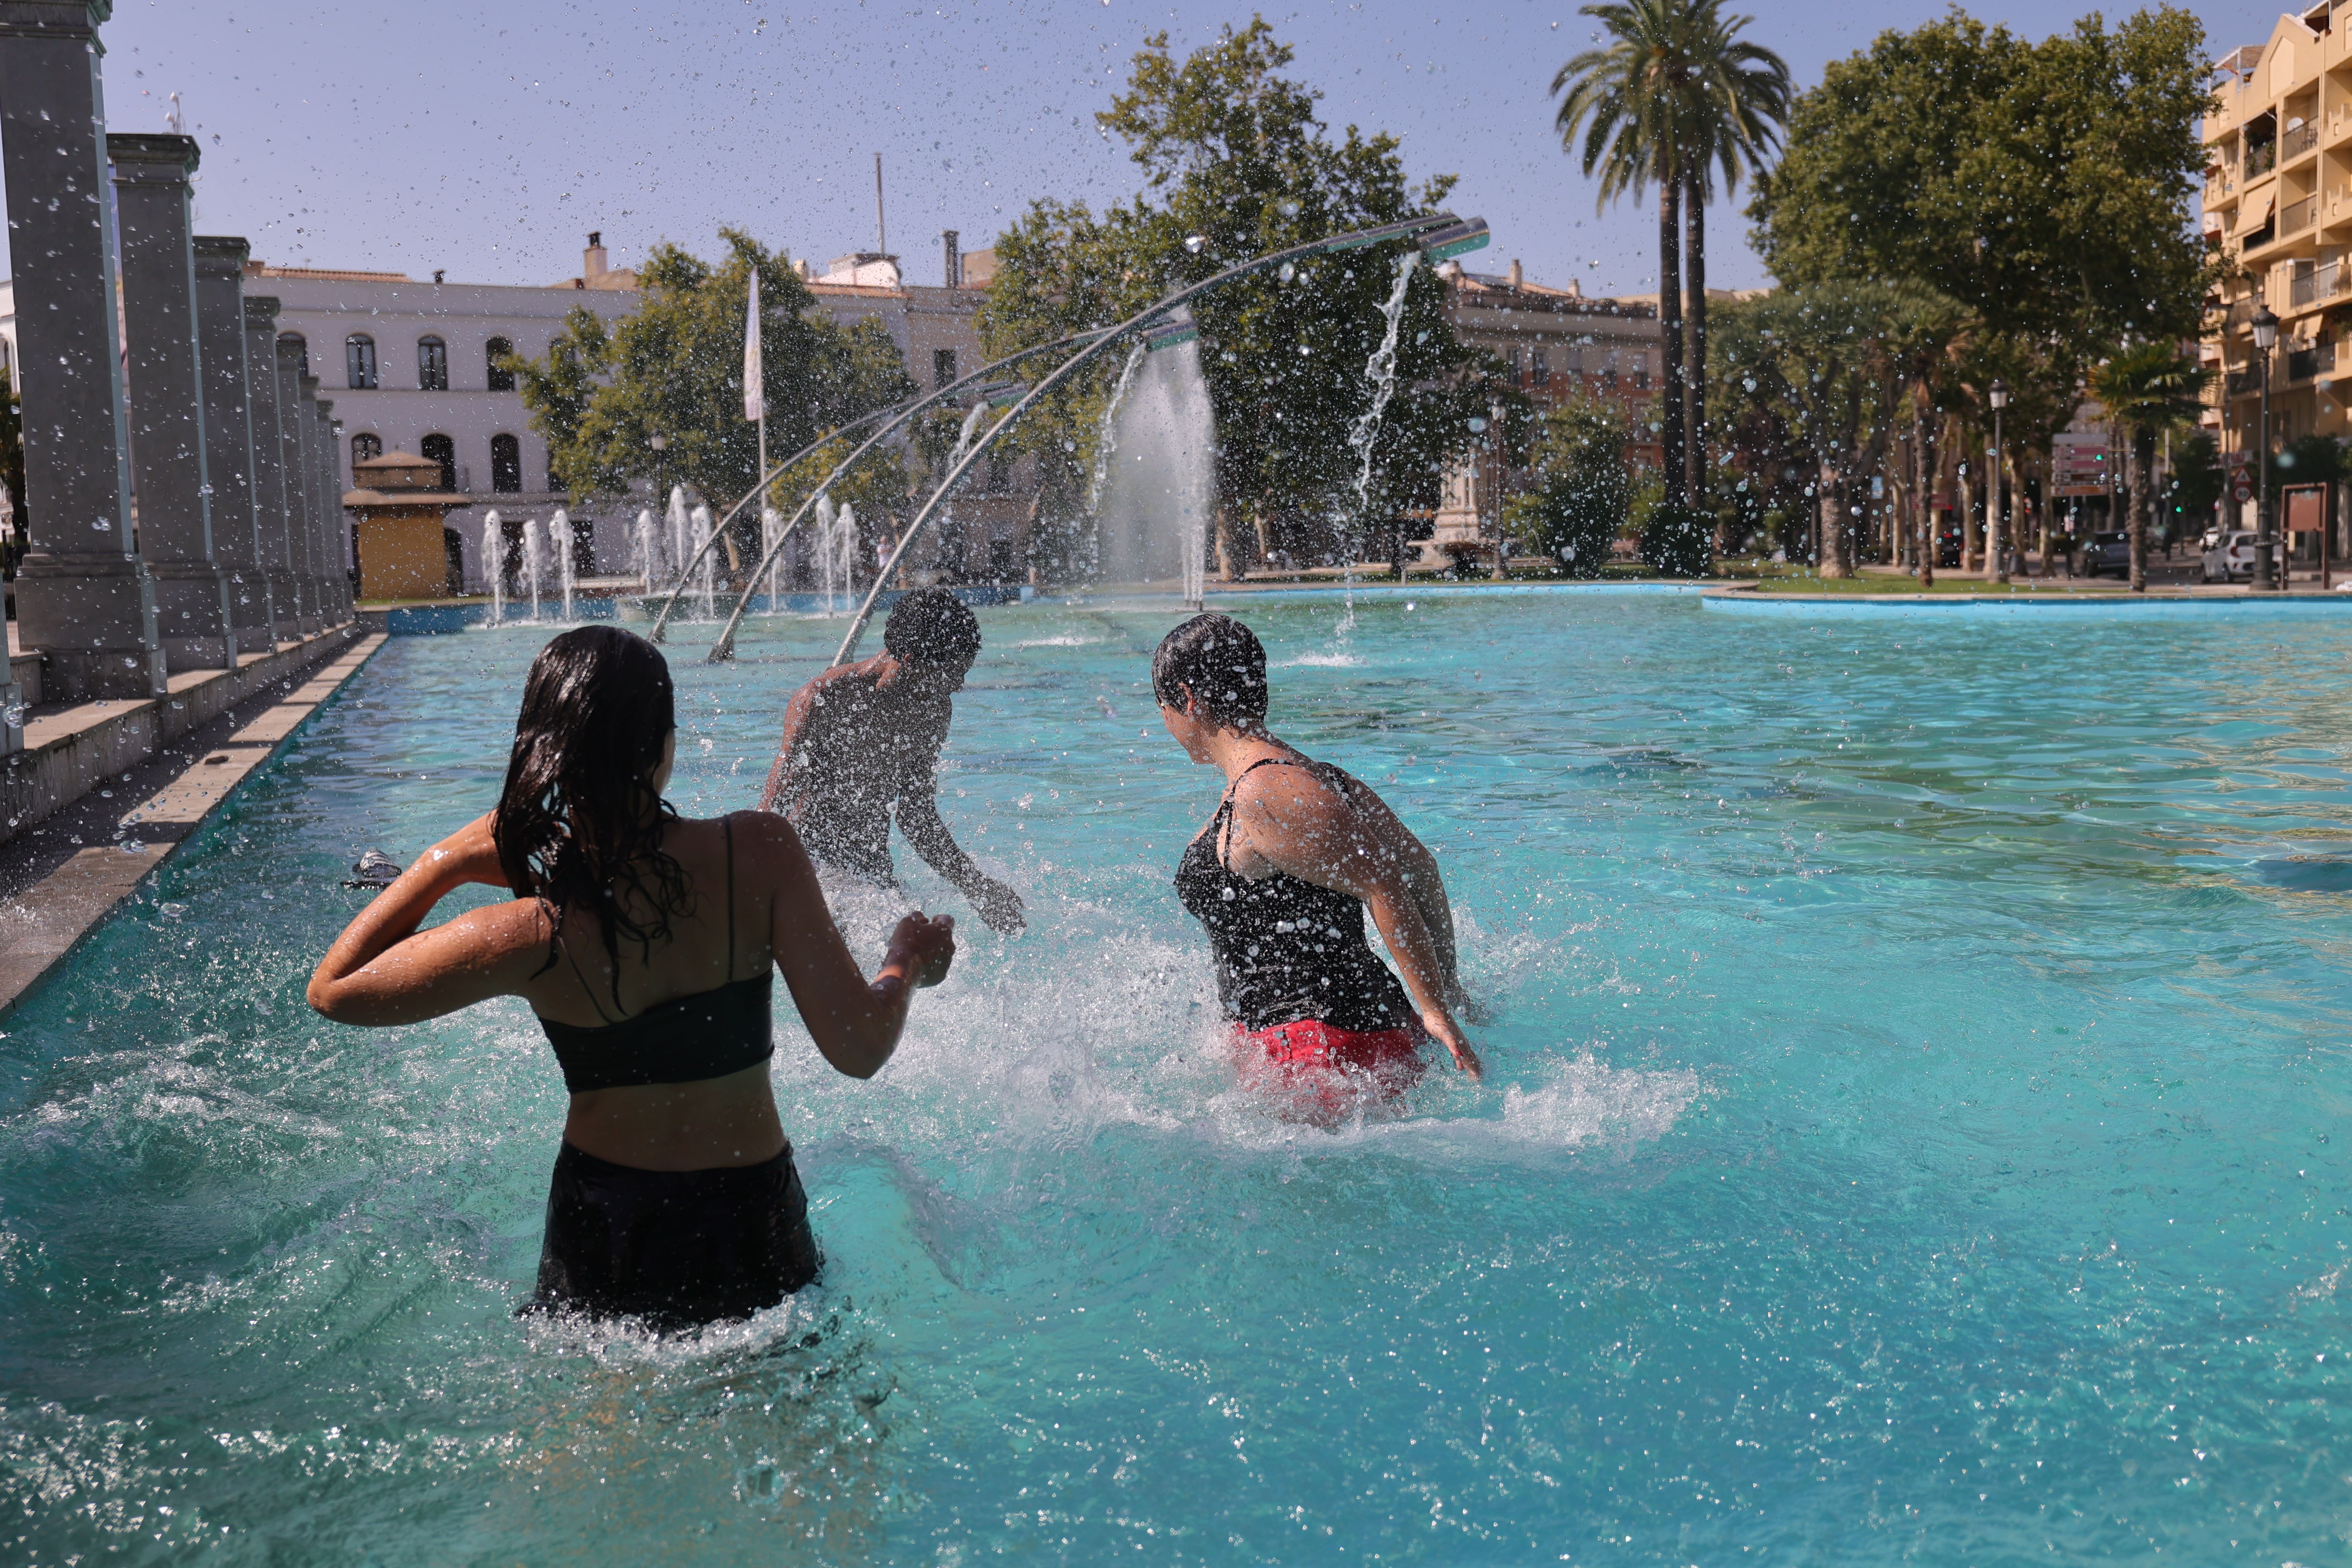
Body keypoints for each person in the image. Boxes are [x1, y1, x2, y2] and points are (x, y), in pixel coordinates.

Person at [308, 626, 956, 1330]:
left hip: (605, 1225)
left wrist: (444, 862)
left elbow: (334, 989)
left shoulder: (530, 929)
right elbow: (858, 1047)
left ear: (544, 750)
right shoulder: (760, 854)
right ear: (665, 743)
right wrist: (906, 960)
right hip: (750, 1214)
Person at [1154, 612, 1481, 1120]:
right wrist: (1446, 987)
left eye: (1163, 708)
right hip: (1351, 1039)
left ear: (1187, 698)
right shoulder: (1320, 779)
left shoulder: (1265, 790)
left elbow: (1386, 883)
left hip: (1316, 1056)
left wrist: (1436, 1008)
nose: (1166, 724)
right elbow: (1423, 872)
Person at [758, 587, 1025, 934]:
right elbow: (772, 807)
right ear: (912, 661)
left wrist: (978, 887)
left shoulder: (932, 712)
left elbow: (917, 818)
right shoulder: (824, 700)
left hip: (872, 873)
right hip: (810, 870)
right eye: (953, 674)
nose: (959, 686)